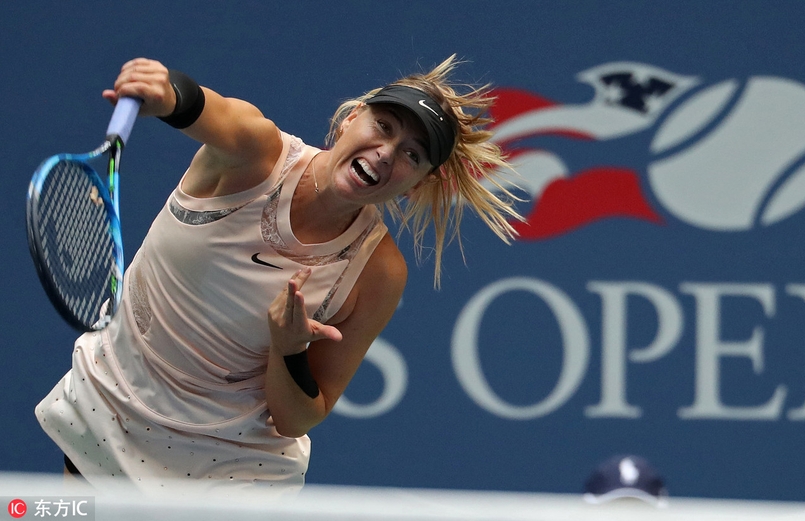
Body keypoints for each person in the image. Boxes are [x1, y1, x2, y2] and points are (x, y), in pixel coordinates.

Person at [35, 56, 522, 495]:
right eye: (384, 125)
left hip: (229, 468)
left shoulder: (377, 272)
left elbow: (297, 419)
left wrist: (288, 350)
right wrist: (166, 92)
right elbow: (205, 107)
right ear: (352, 117)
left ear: (419, 182)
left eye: (412, 154)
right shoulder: (256, 153)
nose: (387, 152)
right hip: (112, 404)